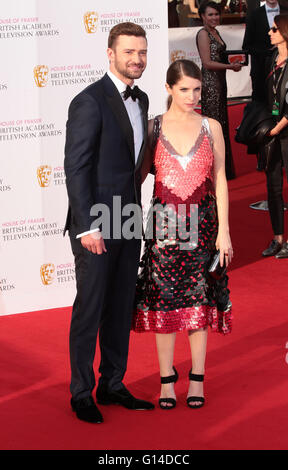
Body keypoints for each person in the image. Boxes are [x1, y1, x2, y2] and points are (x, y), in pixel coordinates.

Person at [64, 22, 154, 424]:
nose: (137, 59)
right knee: (91, 307)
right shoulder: (89, 100)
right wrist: (87, 227)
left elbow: (133, 163)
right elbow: (77, 167)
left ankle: (112, 383)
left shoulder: (144, 98)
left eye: (142, 52)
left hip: (129, 217)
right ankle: (81, 391)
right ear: (110, 53)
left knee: (120, 306)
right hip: (96, 222)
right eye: (129, 52)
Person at [132, 59, 233, 410]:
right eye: (184, 89)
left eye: (197, 89)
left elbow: (220, 180)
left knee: (199, 302)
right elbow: (138, 178)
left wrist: (225, 232)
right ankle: (166, 380)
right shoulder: (153, 128)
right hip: (163, 229)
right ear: (169, 89)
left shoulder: (212, 126)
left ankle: (197, 379)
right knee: (164, 303)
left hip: (203, 228)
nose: (192, 96)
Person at [196, 1, 242, 180]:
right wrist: (230, 67)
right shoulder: (203, 34)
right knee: (215, 127)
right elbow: (207, 63)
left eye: (216, 14)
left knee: (222, 125)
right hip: (211, 85)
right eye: (210, 15)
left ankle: (223, 169)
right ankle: (213, 170)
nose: (215, 17)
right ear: (202, 17)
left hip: (220, 83)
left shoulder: (216, 32)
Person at [262, 14, 288, 258]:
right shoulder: (272, 59)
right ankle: (278, 238)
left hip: (284, 132)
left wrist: (277, 128)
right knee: (273, 187)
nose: (270, 33)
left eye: (274, 29)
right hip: (271, 133)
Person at [242, 0, 284, 103]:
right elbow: (247, 45)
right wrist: (268, 52)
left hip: (285, 69)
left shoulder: (286, 12)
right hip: (261, 71)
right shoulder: (254, 14)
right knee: (260, 106)